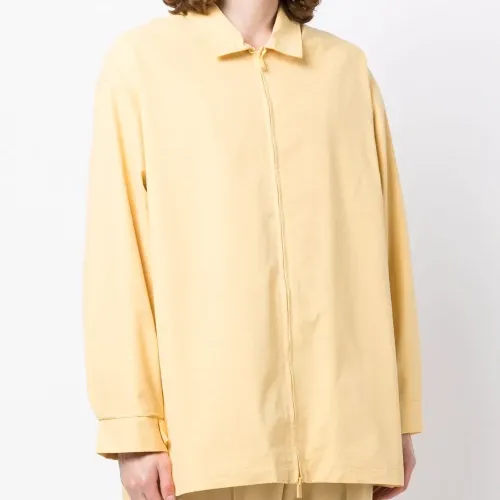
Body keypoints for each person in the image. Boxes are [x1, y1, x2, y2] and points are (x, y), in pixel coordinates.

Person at [82, 0, 423, 499]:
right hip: (205, 448)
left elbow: (389, 252)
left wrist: (397, 417)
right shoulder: (143, 64)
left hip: (342, 439)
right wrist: (132, 429)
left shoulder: (346, 72)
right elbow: (118, 254)